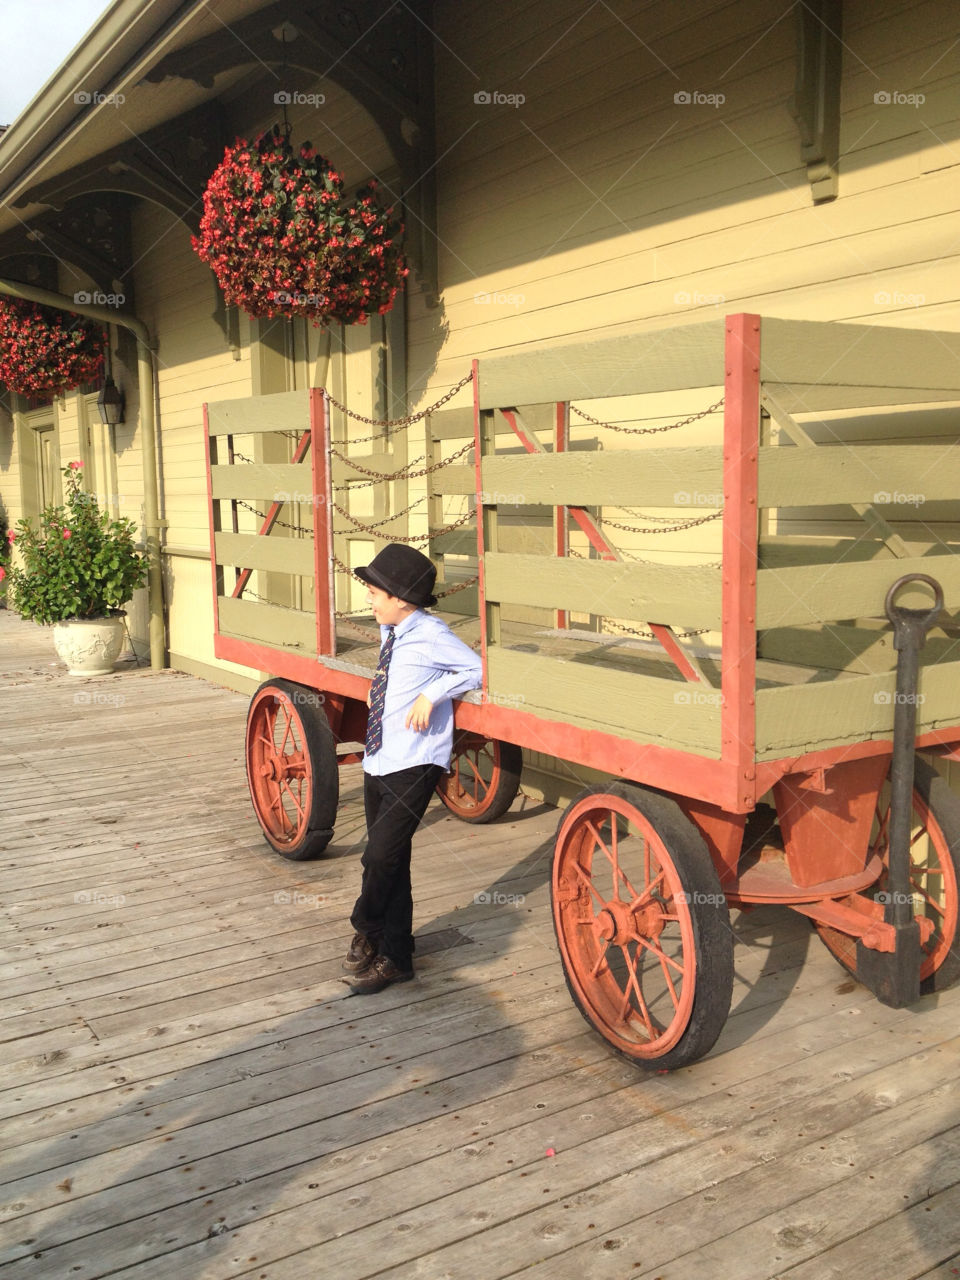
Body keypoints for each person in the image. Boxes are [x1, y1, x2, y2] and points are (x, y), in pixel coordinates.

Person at [343, 543, 483, 994]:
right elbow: (396, 672)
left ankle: (364, 924)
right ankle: (394, 956)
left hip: (413, 763)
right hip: (380, 756)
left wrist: (434, 694)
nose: (369, 598)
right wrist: (377, 690)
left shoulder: (431, 634)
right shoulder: (391, 631)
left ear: (400, 599)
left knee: (378, 856)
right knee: (394, 859)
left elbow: (477, 668)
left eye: (374, 592)